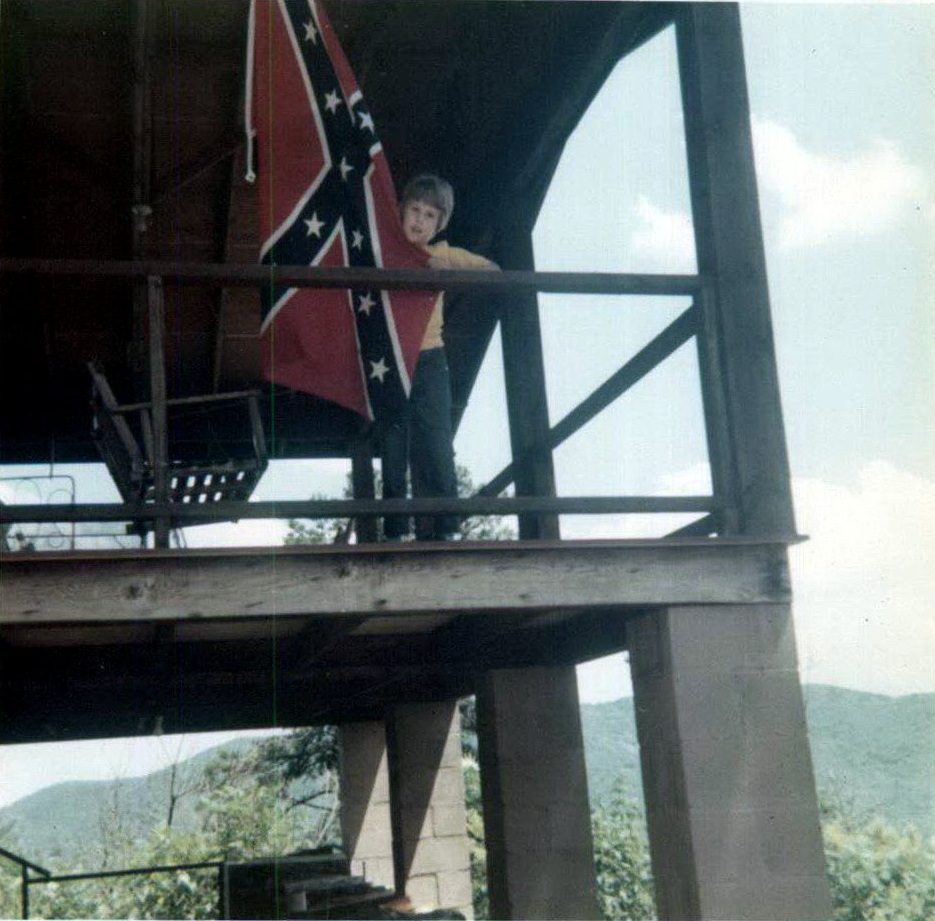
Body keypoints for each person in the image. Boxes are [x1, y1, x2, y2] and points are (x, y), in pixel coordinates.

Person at [381, 174, 498, 541]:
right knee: (393, 446)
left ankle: (448, 524)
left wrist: (448, 272)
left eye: (430, 215)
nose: (419, 220)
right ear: (401, 212)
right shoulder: (385, 252)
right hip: (389, 360)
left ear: (439, 224)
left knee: (438, 442)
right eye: (414, 210)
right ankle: (395, 529)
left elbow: (493, 272)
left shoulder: (443, 254)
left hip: (431, 360)